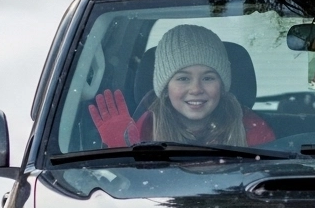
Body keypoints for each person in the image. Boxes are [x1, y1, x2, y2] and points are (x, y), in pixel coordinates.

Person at [88, 24, 275, 147]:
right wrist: (122, 151)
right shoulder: (143, 129)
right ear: (165, 88)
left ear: (223, 86)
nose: (196, 89)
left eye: (208, 78)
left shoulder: (250, 129)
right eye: (183, 78)